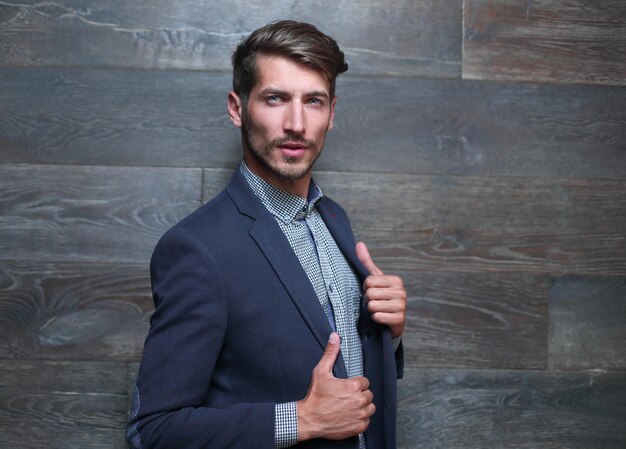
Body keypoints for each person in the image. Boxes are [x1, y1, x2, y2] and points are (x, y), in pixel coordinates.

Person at [127, 20, 406, 449]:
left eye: (313, 101)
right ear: (238, 109)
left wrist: (389, 330)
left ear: (332, 113)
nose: (296, 123)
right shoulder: (196, 249)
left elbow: (342, 367)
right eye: (275, 99)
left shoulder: (333, 217)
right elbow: (153, 431)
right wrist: (301, 420)